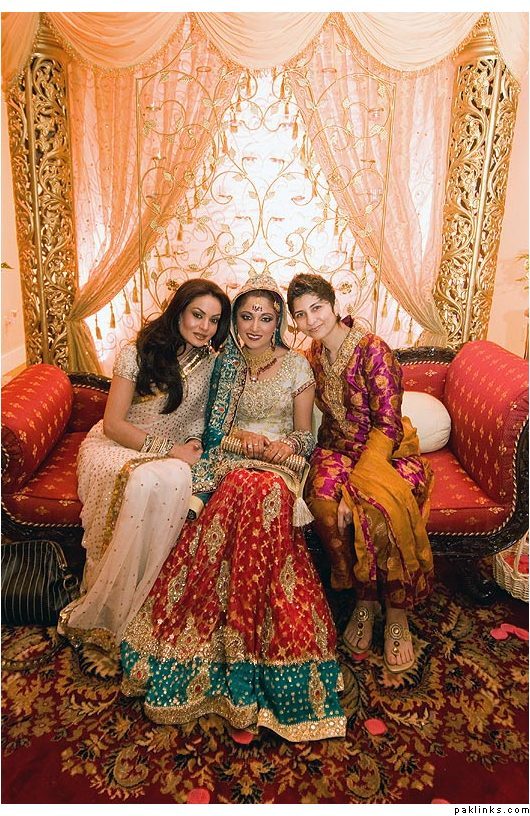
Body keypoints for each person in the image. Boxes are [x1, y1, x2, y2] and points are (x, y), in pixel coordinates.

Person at [120, 271, 347, 742]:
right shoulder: (225, 364)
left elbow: (306, 436)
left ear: (278, 321)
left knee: (262, 492)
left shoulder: (297, 367)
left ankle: (258, 646)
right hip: (231, 460)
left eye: (265, 318)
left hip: (279, 467)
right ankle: (214, 644)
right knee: (241, 489)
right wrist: (240, 437)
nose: (255, 326)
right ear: (235, 321)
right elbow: (214, 431)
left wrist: (285, 446)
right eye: (246, 316)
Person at [58, 279, 231, 653]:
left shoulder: (212, 364)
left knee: (172, 477)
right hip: (118, 447)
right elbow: (113, 424)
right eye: (197, 315)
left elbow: (201, 420)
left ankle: (146, 600)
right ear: (178, 311)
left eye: (214, 320)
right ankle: (110, 605)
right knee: (147, 480)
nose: (205, 327)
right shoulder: (136, 354)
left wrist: (192, 444)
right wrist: (167, 449)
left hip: (173, 455)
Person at [287, 272, 433, 674]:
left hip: (386, 451)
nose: (311, 320)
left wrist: (354, 489)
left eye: (317, 308)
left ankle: (397, 613)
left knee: (375, 509)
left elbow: (388, 424)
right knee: (321, 504)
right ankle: (363, 601)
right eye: (300, 314)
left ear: (335, 305)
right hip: (336, 449)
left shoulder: (373, 349)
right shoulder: (313, 356)